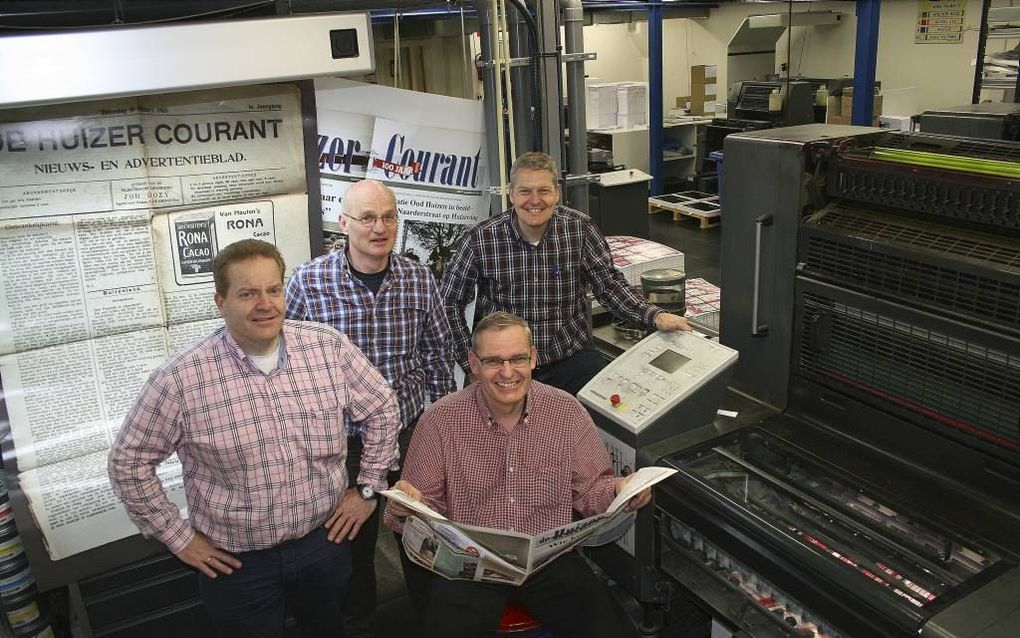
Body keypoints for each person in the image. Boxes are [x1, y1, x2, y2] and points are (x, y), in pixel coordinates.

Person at [109, 239, 400, 638]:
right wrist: (178, 538)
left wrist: (368, 490)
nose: (265, 304)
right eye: (247, 293)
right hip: (236, 564)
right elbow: (128, 463)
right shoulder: (180, 380)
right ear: (220, 300)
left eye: (272, 290)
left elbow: (382, 407)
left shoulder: (327, 348)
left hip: (324, 542)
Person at [383, 311, 652, 638]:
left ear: (533, 358)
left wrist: (619, 491)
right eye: (494, 361)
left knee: (610, 630)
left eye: (517, 359)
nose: (507, 373)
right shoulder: (439, 422)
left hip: (548, 562)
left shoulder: (565, 411)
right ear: (474, 363)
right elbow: (418, 515)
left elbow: (592, 492)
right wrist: (408, 504)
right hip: (472, 569)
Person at [285, 179, 456, 634]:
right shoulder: (309, 282)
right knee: (349, 548)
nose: (379, 227)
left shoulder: (419, 279)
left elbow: (438, 355)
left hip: (410, 431)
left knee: (424, 536)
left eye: (388, 217)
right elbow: (287, 363)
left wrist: (439, 428)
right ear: (343, 224)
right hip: (345, 444)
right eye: (367, 217)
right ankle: (358, 622)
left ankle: (434, 620)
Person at [440, 151, 691, 396]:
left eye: (544, 191)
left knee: (598, 421)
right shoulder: (481, 239)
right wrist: (470, 363)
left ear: (557, 193)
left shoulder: (580, 230)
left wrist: (655, 315)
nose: (534, 200)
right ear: (511, 193)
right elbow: (448, 302)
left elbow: (609, 286)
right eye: (525, 191)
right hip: (509, 362)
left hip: (570, 356)